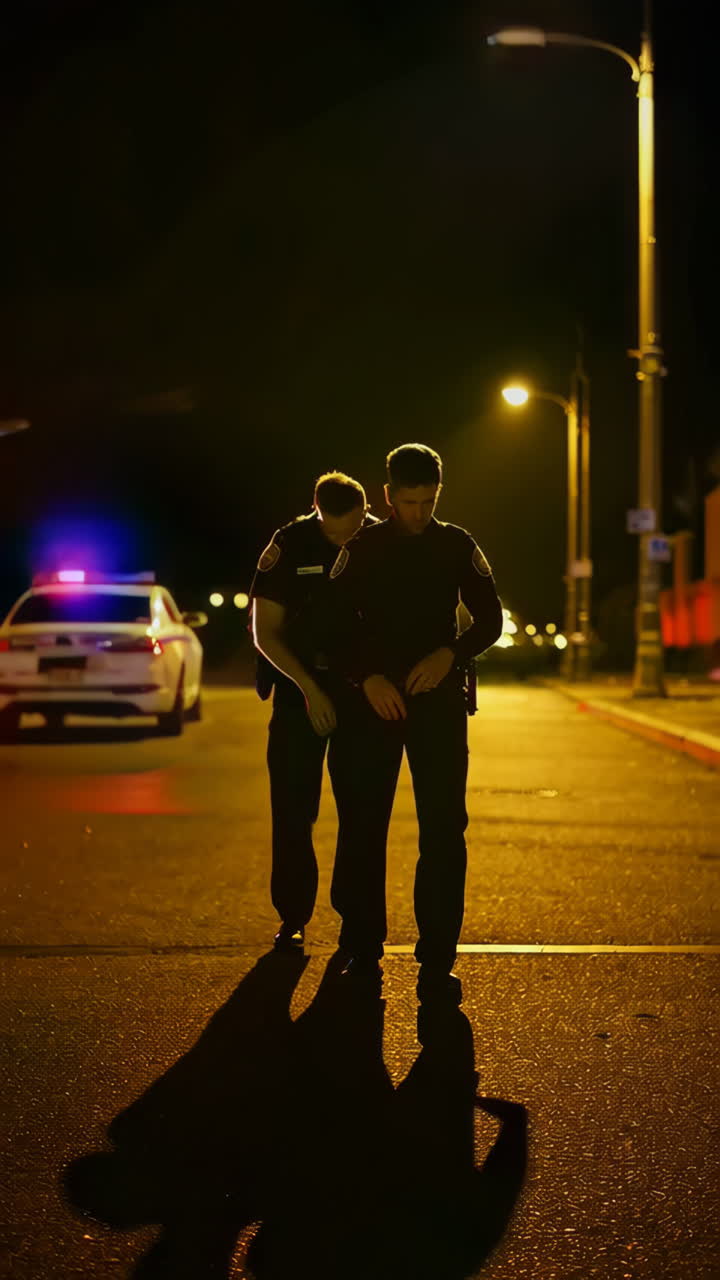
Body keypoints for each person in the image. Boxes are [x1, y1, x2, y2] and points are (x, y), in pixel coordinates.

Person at [327, 443, 503, 1002]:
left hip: (437, 700)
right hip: (373, 701)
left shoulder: (456, 544)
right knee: (362, 827)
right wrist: (368, 677)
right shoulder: (363, 549)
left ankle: (437, 961)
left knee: (445, 831)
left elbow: (490, 620)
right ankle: (361, 947)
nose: (420, 513)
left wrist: (450, 653)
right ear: (389, 496)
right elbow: (329, 628)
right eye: (409, 502)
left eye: (430, 501)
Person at [250, 472, 376, 952]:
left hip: (359, 691)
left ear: (365, 512)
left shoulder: (378, 540)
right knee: (293, 810)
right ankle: (292, 917)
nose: (342, 541)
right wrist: (309, 690)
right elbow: (265, 633)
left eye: (351, 530)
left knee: (360, 813)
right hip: (298, 691)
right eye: (332, 531)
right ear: (315, 511)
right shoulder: (290, 544)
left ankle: (353, 919)